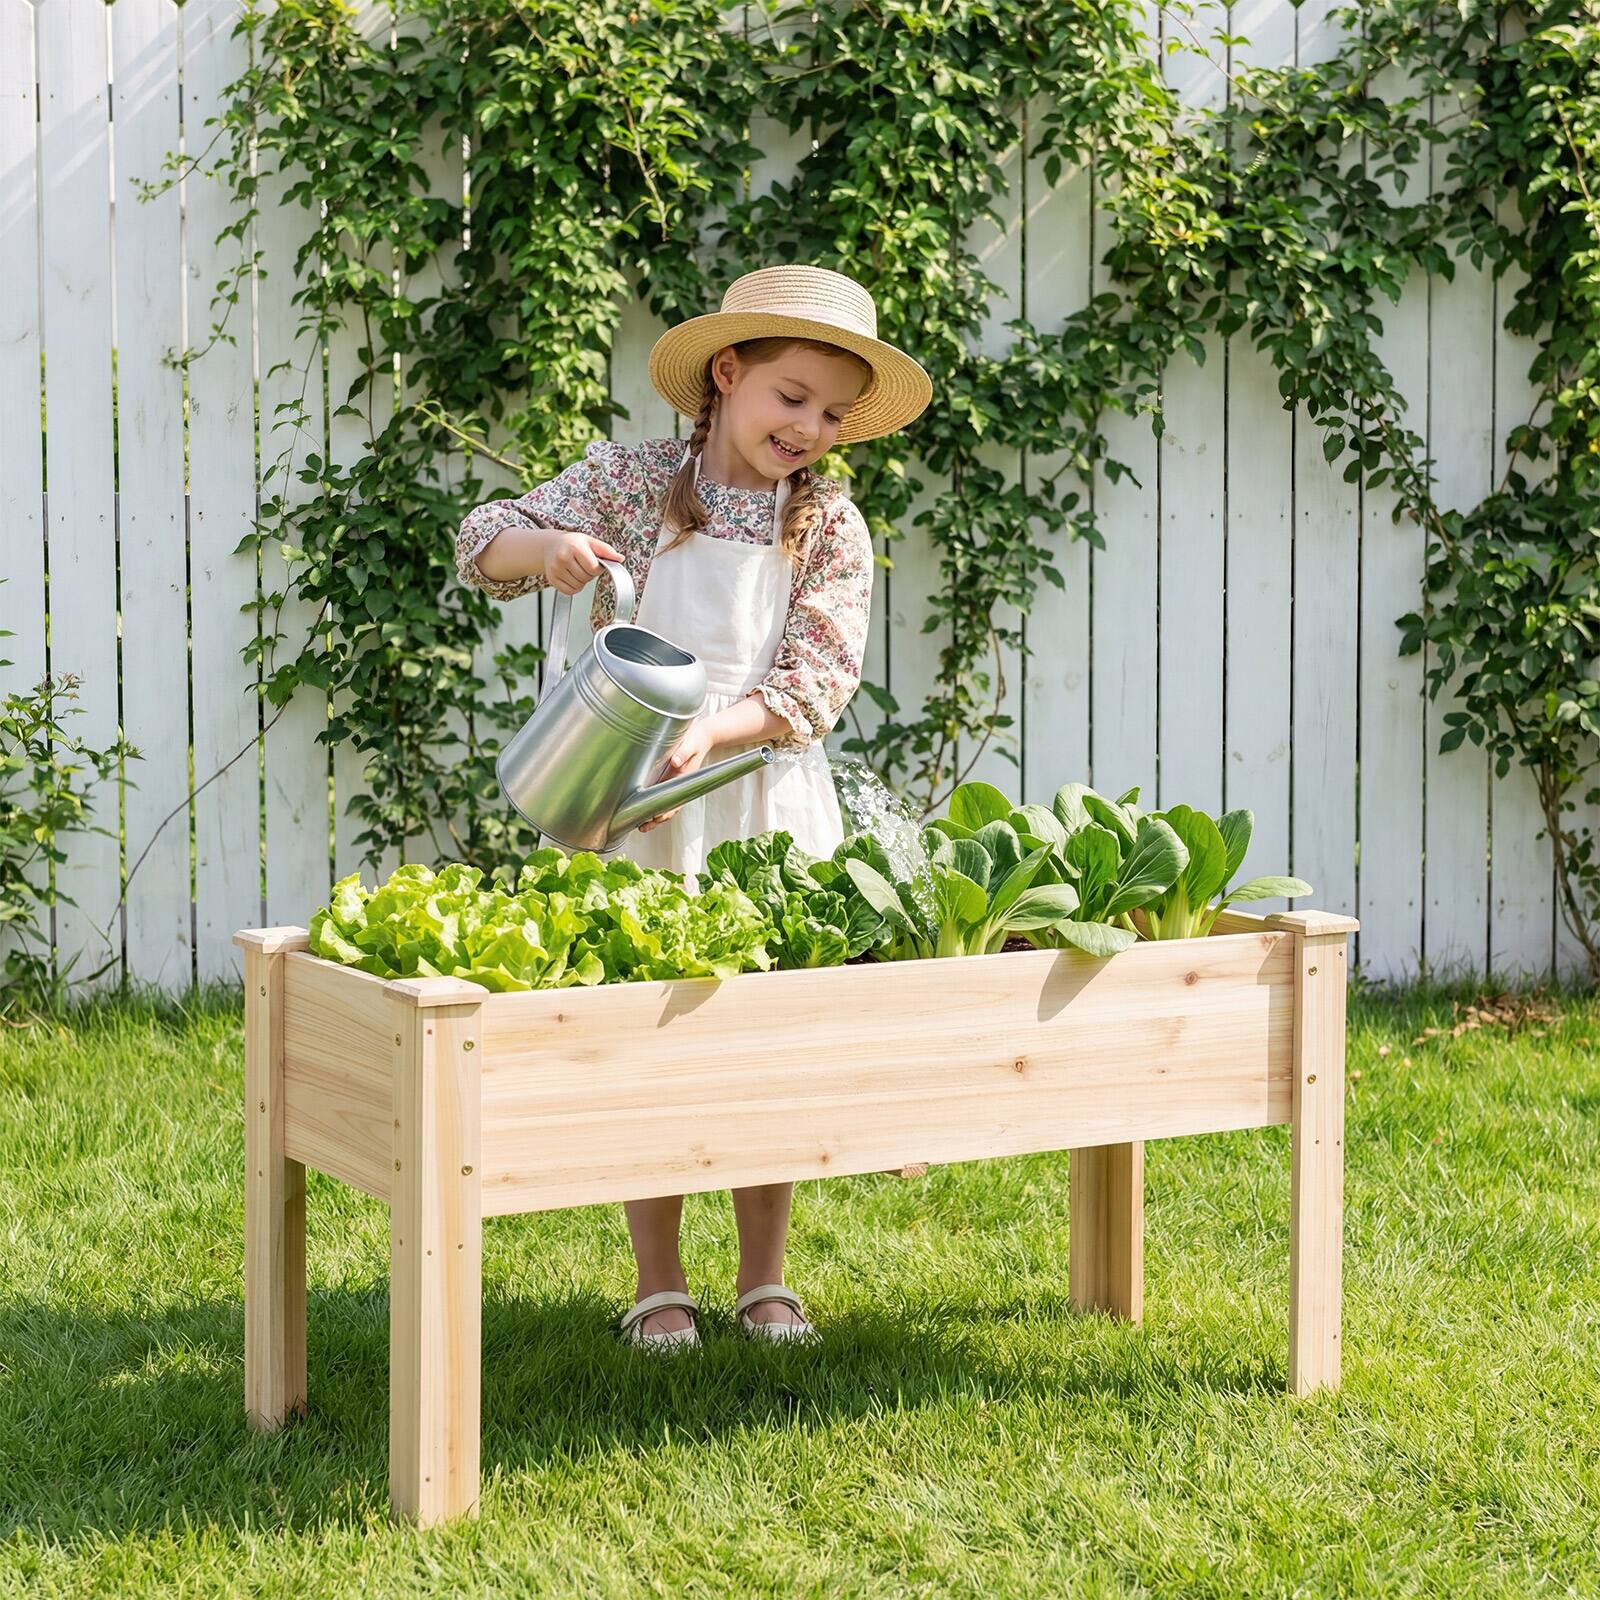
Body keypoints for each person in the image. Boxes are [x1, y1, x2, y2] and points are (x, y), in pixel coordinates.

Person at [454, 263, 931, 1351]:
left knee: (763, 1038)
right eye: (790, 396)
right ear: (728, 373)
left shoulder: (828, 525)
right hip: (636, 796)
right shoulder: (629, 482)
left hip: (759, 793)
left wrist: (713, 733)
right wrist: (553, 552)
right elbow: (484, 539)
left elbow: (819, 678)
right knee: (647, 1031)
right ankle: (658, 1280)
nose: (809, 426)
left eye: (830, 412)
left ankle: (763, 1277)